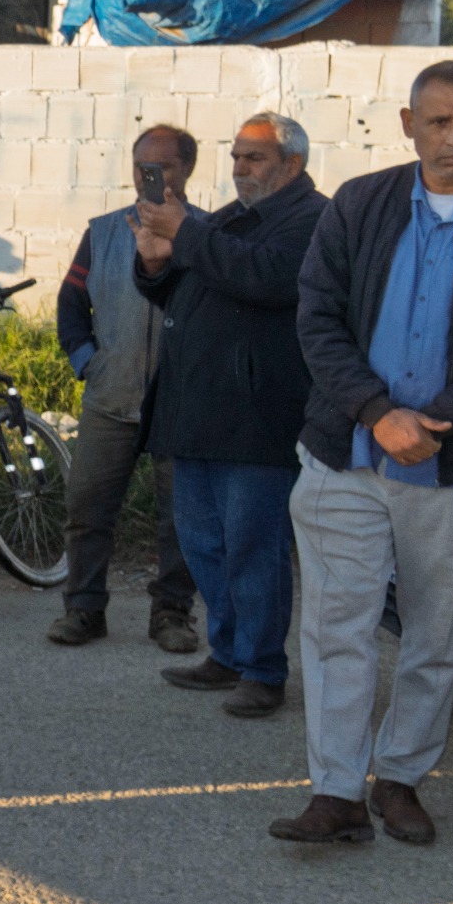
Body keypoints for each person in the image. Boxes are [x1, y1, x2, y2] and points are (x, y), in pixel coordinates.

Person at [273, 60, 453, 846]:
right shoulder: (359, 206)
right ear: (409, 126)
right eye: (438, 121)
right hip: (346, 458)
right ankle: (335, 792)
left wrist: (429, 423)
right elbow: (316, 321)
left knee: (436, 636)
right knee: (339, 625)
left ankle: (399, 779)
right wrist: (375, 412)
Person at [131, 112, 326, 719]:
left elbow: (264, 278)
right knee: (203, 545)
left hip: (257, 417)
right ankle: (229, 654)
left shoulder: (312, 220)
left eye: (255, 159)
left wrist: (186, 235)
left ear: (291, 165)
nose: (239, 168)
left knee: (252, 548)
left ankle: (264, 671)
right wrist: (155, 263)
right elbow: (179, 290)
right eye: (237, 156)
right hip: (195, 411)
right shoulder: (227, 220)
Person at [50, 127, 201, 654]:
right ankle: (84, 610)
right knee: (86, 507)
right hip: (109, 401)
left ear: (188, 171)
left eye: (164, 166)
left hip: (180, 405)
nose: (150, 175)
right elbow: (71, 305)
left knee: (182, 519)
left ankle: (172, 614)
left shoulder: (209, 232)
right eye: (141, 165)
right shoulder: (105, 232)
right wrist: (88, 361)